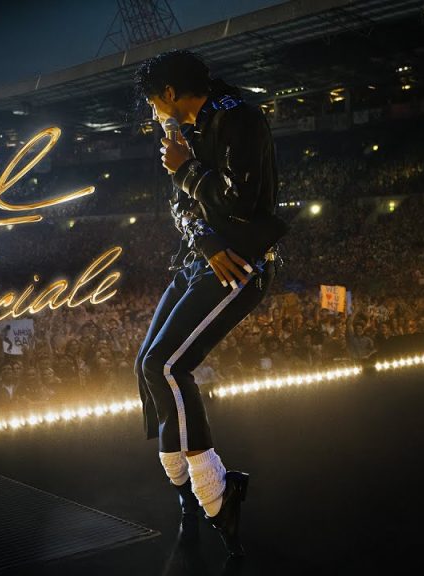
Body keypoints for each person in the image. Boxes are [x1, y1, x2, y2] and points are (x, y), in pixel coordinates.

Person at [132, 50, 289, 556]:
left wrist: (186, 169)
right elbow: (180, 206)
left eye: (154, 101)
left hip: (241, 265)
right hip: (204, 258)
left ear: (170, 93)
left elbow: (240, 203)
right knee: (146, 365)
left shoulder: (238, 119)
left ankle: (217, 495)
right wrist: (205, 240)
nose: (153, 112)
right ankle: (185, 489)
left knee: (166, 366)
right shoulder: (186, 130)